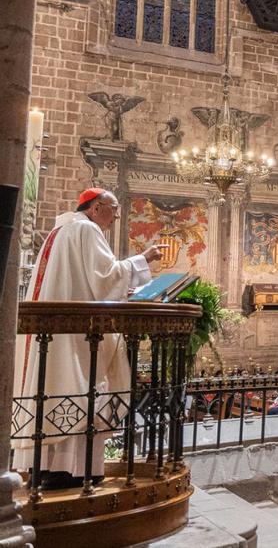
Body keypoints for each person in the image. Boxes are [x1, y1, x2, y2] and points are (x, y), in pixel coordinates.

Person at [14, 188, 164, 489]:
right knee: (82, 388)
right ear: (96, 208)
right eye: (114, 209)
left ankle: (45, 467)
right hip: (76, 338)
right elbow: (105, 277)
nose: (117, 216)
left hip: (57, 334)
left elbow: (87, 282)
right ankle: (73, 470)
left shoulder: (61, 230)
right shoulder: (86, 229)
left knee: (57, 390)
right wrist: (143, 259)